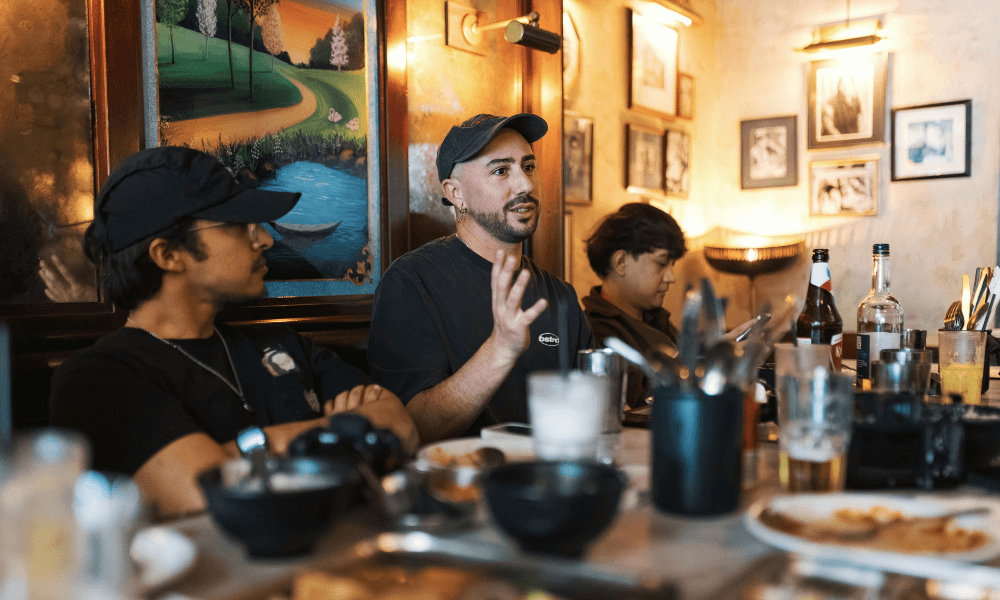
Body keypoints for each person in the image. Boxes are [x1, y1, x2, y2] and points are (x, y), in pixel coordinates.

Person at [49, 147, 418, 517]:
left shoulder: (283, 343)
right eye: (237, 225)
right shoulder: (99, 377)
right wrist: (344, 430)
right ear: (168, 255)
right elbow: (202, 486)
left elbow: (400, 426)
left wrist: (235, 452)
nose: (266, 240)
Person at [367, 113, 594, 443]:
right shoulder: (411, 282)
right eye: (501, 170)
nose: (525, 185)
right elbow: (411, 427)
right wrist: (500, 349)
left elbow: (591, 407)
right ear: (456, 193)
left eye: (528, 167)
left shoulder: (559, 294)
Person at [582, 203, 686, 408]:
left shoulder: (657, 319)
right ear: (621, 262)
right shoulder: (595, 333)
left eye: (672, 265)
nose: (671, 277)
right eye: (662, 263)